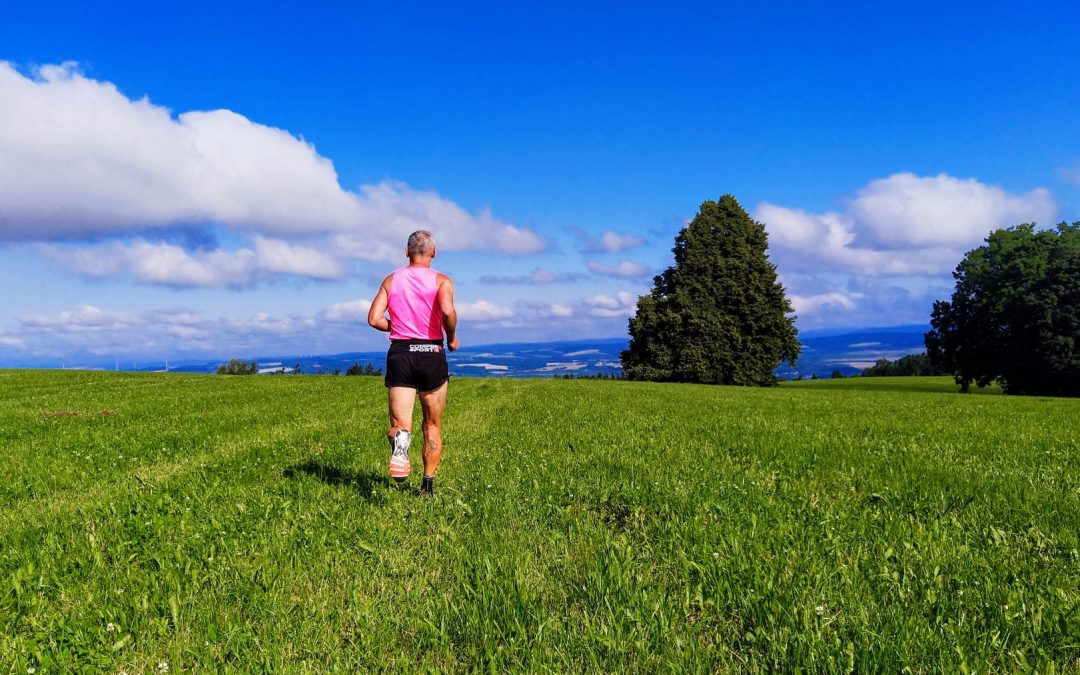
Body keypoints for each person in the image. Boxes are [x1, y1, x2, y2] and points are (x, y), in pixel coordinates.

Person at [367, 230, 458, 495]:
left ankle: (401, 443)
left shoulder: (392, 280)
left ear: (406, 251)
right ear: (434, 252)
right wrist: (451, 337)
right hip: (431, 353)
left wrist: (396, 326)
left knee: (400, 424)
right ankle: (427, 486)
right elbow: (448, 312)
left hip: (401, 353)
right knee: (432, 424)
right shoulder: (442, 281)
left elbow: (374, 318)